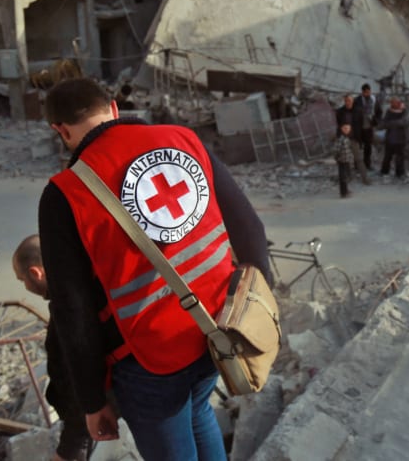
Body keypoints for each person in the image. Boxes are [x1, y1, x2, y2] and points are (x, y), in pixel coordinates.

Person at [38, 78, 271, 461]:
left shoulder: (65, 192)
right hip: (216, 330)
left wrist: (91, 401)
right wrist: (254, 310)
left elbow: (71, 310)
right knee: (198, 411)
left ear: (60, 130)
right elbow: (250, 230)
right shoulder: (184, 138)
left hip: (149, 356)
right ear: (113, 109)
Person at [13, 235, 98, 461]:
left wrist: (69, 447)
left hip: (88, 420)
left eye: (23, 279)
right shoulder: (87, 281)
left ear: (35, 273)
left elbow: (74, 378)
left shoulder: (67, 309)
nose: (26, 286)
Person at [335, 95, 368, 184]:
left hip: (354, 139)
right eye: (346, 100)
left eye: (349, 100)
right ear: (344, 101)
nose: (348, 102)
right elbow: (339, 125)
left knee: (359, 159)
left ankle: (365, 179)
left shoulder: (358, 111)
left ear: (353, 101)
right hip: (344, 139)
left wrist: (361, 138)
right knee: (345, 160)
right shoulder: (340, 111)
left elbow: (361, 126)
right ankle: (348, 177)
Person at [352, 83, 381, 170]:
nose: (368, 94)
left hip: (369, 128)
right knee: (358, 148)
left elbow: (379, 112)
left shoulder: (374, 100)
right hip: (359, 129)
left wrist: (376, 120)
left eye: (369, 92)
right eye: (366, 92)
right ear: (363, 92)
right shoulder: (356, 101)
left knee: (368, 148)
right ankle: (357, 166)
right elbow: (352, 113)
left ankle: (367, 164)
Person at [379, 97, 408, 178]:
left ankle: (400, 173)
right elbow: (383, 124)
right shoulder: (389, 111)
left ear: (398, 103)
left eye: (393, 103)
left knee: (400, 157)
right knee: (387, 157)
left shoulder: (404, 111)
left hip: (400, 139)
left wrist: (391, 123)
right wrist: (393, 123)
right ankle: (384, 172)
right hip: (389, 138)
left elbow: (404, 122)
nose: (391, 104)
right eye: (391, 103)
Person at [335, 123, 355, 198]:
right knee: (342, 177)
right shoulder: (340, 138)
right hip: (342, 160)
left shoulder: (347, 138)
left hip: (347, 160)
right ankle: (343, 193)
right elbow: (336, 150)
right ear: (341, 129)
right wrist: (337, 158)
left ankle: (346, 190)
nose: (347, 130)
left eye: (349, 128)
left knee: (346, 176)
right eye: (345, 128)